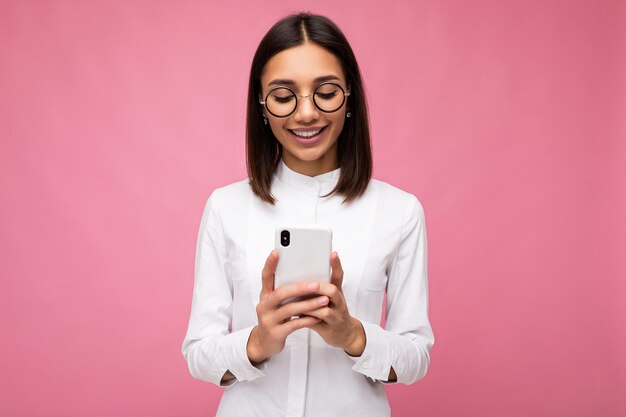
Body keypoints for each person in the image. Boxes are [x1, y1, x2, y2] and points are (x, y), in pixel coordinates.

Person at [181, 11, 434, 417]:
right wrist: (257, 344)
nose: (305, 114)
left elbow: (416, 357)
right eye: (283, 97)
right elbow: (198, 352)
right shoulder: (225, 207)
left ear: (349, 97)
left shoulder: (399, 212)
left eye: (326, 92)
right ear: (262, 107)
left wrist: (353, 334)